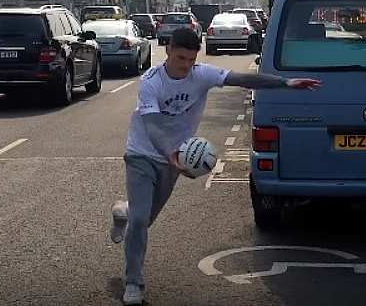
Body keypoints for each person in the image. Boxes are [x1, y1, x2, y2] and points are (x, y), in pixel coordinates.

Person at [111, 28, 321, 305]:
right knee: (140, 222)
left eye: (190, 60)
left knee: (144, 218)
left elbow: (243, 79)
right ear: (169, 51)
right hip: (143, 154)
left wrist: (286, 82)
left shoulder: (202, 75)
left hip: (174, 160)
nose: (186, 65)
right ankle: (134, 284)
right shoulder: (152, 82)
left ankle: (121, 211)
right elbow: (152, 127)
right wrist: (171, 154)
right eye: (180, 58)